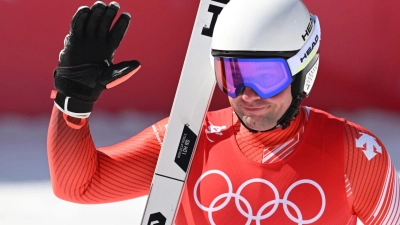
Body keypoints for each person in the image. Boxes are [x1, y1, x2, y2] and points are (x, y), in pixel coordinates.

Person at [47, 0, 400, 224]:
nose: (247, 94)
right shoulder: (188, 139)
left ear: (304, 72)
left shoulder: (356, 155)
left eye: (266, 77)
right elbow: (78, 186)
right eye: (232, 75)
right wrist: (73, 101)